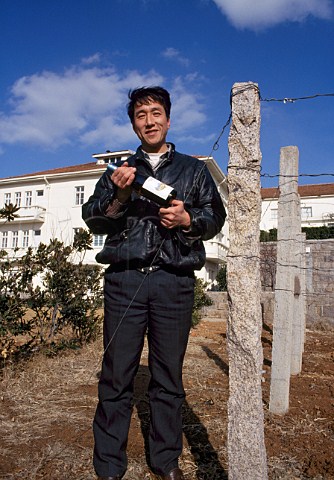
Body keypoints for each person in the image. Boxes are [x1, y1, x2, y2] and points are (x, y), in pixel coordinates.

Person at [82, 86, 226, 480]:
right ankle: (109, 464)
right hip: (125, 280)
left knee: (168, 376)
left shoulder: (194, 171)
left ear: (168, 118)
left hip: (174, 281)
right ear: (133, 123)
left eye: (156, 112)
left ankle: (165, 460)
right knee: (116, 374)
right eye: (141, 114)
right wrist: (120, 195)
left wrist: (188, 221)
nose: (149, 120)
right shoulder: (119, 172)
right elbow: (93, 219)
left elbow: (215, 217)